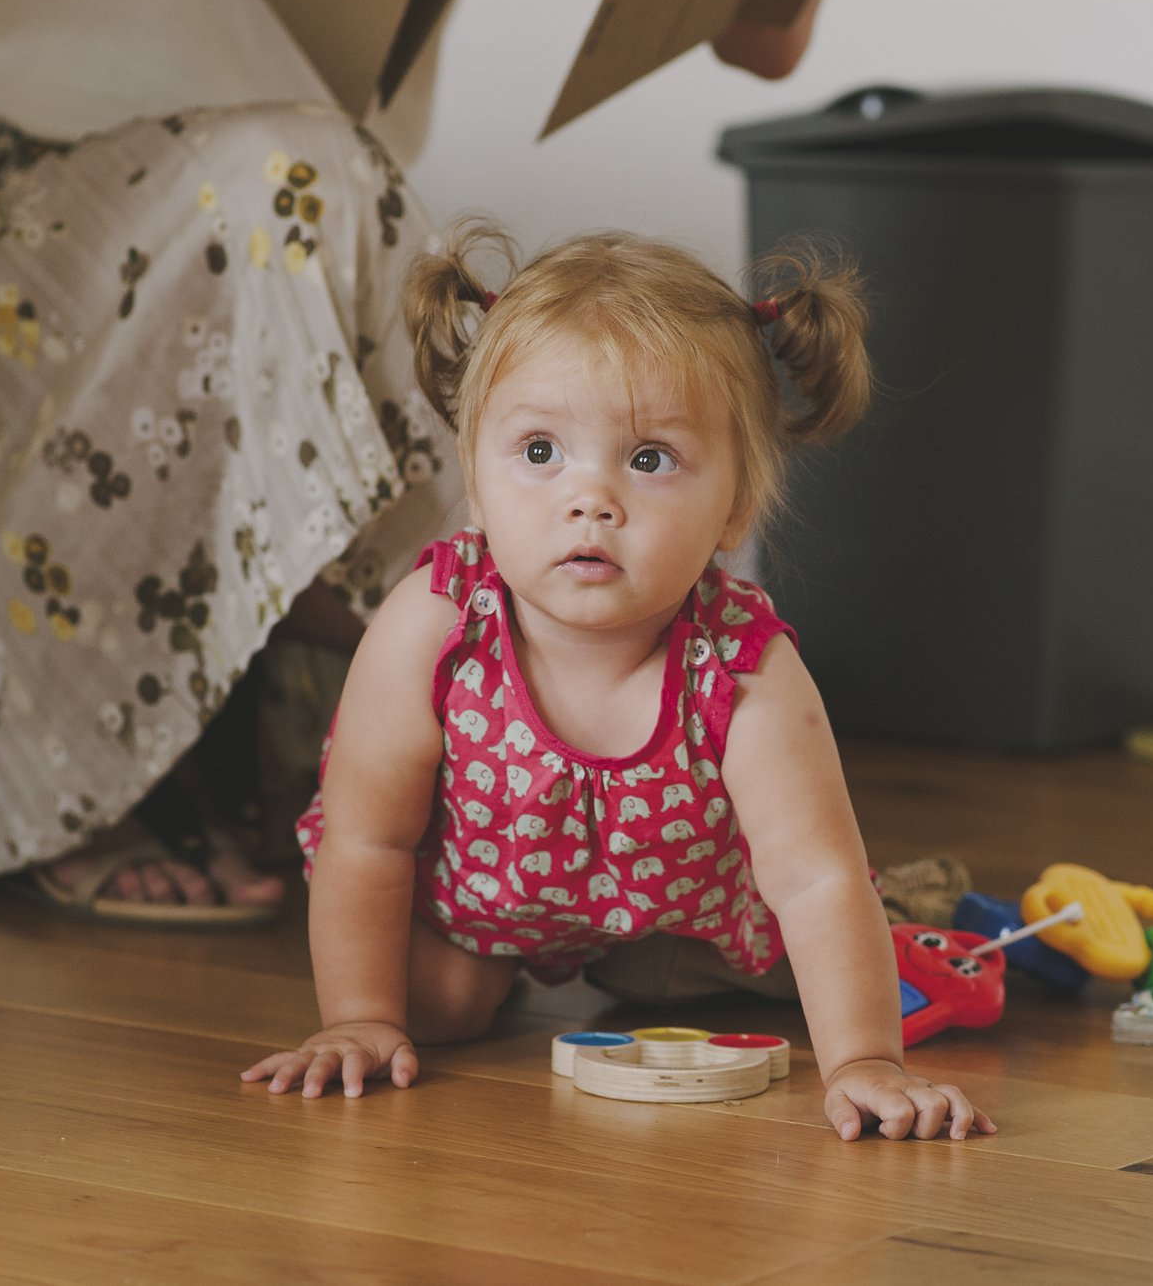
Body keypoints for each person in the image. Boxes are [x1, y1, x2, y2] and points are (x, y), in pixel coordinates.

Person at [0, 0, 829, 924]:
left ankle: (591, 753)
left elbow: (760, 34)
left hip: (285, 206)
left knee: (339, 215)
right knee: (310, 190)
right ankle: (485, 706)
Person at [240, 222, 997, 1141]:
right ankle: (520, 969)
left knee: (795, 976)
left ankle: (908, 922)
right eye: (539, 452)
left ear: (736, 506)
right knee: (434, 1007)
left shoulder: (744, 669)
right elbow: (368, 838)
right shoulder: (432, 627)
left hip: (689, 906)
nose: (590, 498)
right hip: (479, 904)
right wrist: (359, 1016)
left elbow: (813, 880)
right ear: (475, 483)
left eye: (649, 460)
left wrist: (864, 1059)